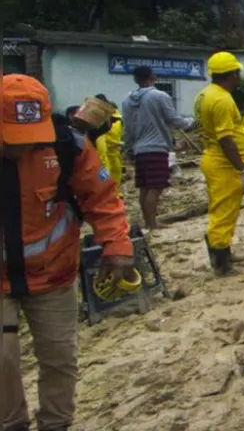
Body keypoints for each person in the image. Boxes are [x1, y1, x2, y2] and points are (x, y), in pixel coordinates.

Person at [1, 75, 135, 430]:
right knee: (4, 359)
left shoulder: (67, 147)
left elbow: (102, 198)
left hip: (54, 274)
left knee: (60, 358)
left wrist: (117, 245)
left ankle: (56, 424)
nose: (22, 148)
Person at [195, 51, 244, 275]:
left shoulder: (206, 94)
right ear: (232, 73)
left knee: (224, 209)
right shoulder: (221, 99)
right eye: (238, 72)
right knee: (223, 212)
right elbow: (225, 139)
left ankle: (223, 250)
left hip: (215, 158)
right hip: (223, 163)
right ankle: (221, 263)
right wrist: (243, 170)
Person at [122, 66, 193, 230]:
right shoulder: (159, 96)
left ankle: (149, 221)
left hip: (139, 149)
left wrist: (128, 148)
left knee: (145, 187)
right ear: (153, 77)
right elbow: (173, 119)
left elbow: (127, 128)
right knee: (156, 186)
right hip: (156, 147)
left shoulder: (127, 100)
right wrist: (191, 122)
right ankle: (152, 224)